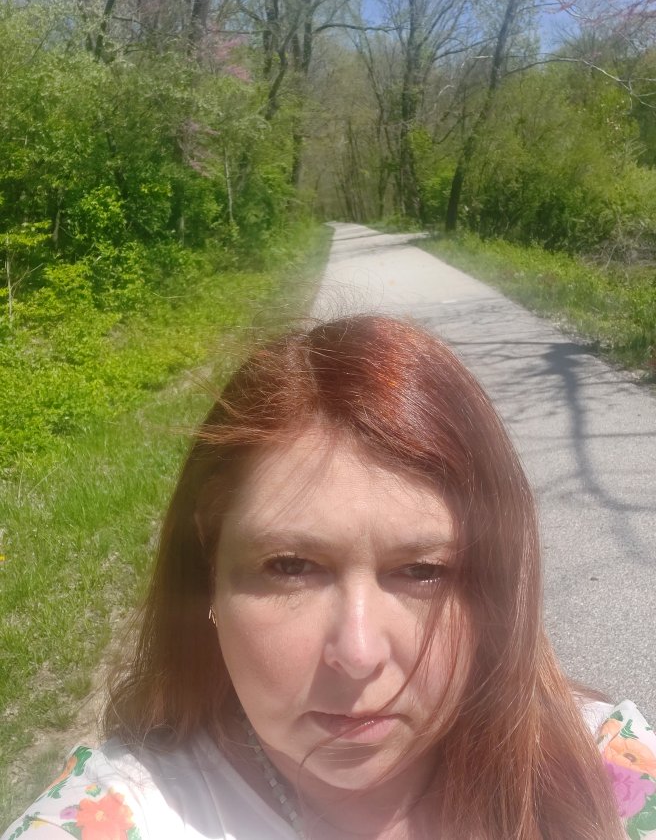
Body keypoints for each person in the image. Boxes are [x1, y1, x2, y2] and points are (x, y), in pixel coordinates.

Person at [3, 315, 655, 840]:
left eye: (423, 571)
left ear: (494, 586)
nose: (358, 653)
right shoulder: (113, 815)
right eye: (290, 566)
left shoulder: (607, 775)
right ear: (209, 569)